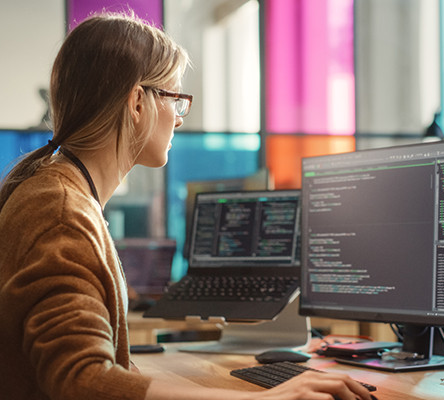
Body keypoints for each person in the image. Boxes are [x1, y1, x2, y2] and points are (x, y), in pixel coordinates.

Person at [0, 12, 373, 400]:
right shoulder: (61, 212)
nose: (178, 121)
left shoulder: (59, 192)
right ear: (137, 103)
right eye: (175, 99)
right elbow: (82, 380)